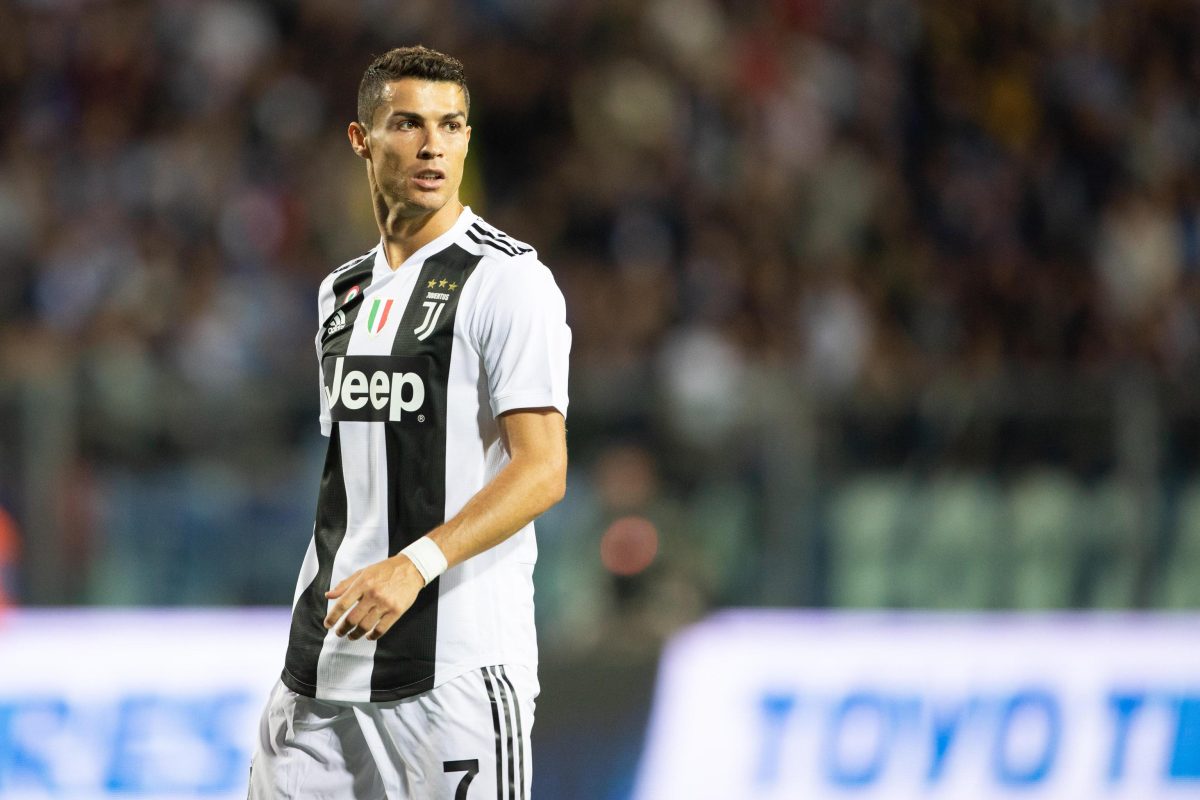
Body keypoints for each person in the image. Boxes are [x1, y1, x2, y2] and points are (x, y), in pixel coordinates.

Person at [249, 45, 570, 799]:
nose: (433, 146)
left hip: (452, 671)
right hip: (322, 668)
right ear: (361, 139)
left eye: (451, 126)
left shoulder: (509, 281)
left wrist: (414, 564)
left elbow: (543, 469)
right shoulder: (341, 292)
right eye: (408, 124)